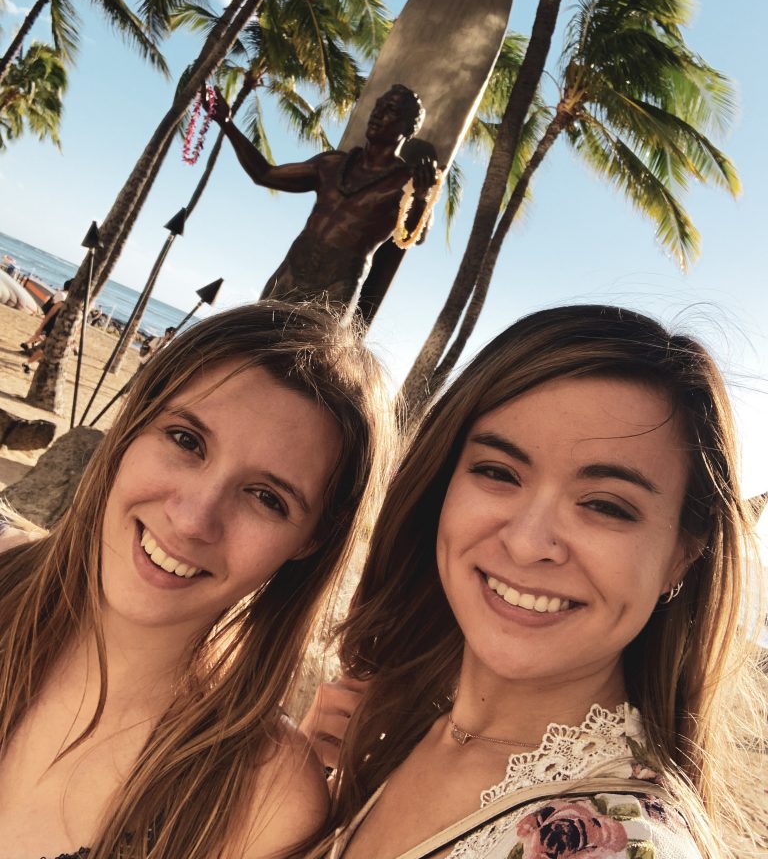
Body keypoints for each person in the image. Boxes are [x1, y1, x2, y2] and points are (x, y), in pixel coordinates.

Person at [313, 304, 767, 859]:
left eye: (605, 505)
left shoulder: (623, 845)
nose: (528, 542)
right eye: (498, 472)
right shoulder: (389, 730)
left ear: (682, 557)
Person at [0, 299, 395, 859]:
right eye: (187, 441)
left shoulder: (262, 800)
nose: (192, 520)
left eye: (267, 498)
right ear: (134, 425)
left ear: (310, 543)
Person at [211, 84, 441, 318]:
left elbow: (416, 236)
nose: (378, 113)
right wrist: (226, 123)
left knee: (306, 353)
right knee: (254, 341)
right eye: (378, 106)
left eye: (390, 109)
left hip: (336, 288)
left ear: (408, 127)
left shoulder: (404, 182)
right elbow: (265, 174)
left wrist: (421, 198)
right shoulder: (332, 164)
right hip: (290, 274)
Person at [20, 278, 73, 370]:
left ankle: (28, 357)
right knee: (44, 343)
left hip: (55, 325)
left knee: (44, 345)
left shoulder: (66, 298)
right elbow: (52, 308)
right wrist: (42, 326)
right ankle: (28, 356)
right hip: (52, 324)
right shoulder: (63, 297)